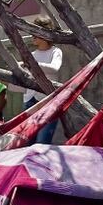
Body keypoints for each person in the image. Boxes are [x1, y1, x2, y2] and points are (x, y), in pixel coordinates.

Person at [23, 16, 64, 145]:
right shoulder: (32, 54)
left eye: (35, 32)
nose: (32, 35)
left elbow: (54, 68)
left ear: (45, 33)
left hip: (48, 102)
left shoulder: (55, 51)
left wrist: (32, 64)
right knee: (28, 142)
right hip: (30, 102)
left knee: (42, 143)